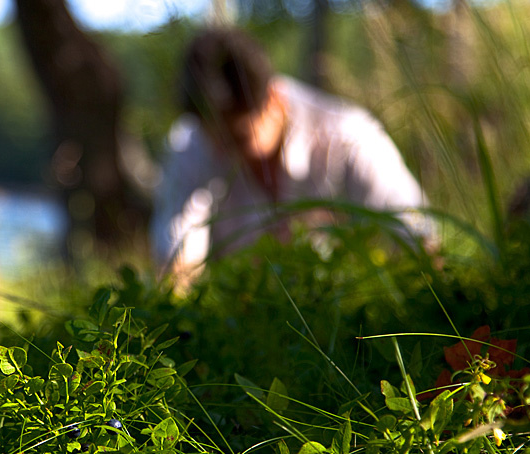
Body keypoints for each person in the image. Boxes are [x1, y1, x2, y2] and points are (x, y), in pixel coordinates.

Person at [152, 27, 436, 287]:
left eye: (239, 139)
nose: (221, 152)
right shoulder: (189, 144)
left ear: (275, 100)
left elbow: (418, 240)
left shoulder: (348, 138)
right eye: (211, 136)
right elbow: (176, 264)